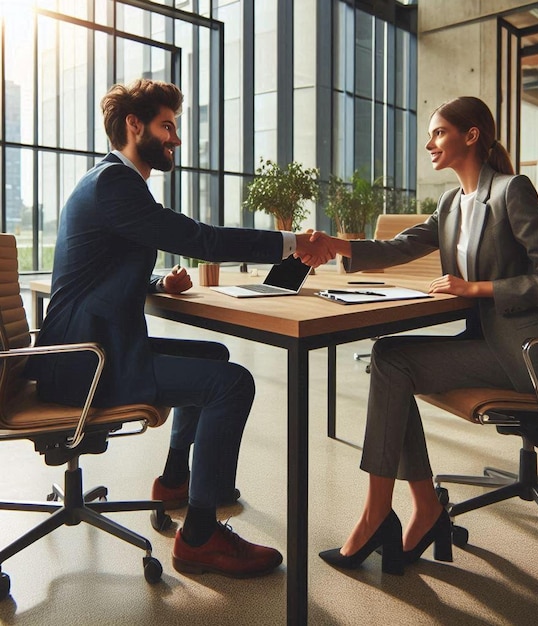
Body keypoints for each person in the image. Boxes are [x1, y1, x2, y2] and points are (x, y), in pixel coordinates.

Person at [26, 78, 333, 579]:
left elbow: (99, 264)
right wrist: (294, 241)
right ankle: (200, 536)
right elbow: (200, 238)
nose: (176, 139)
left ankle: (174, 481)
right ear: (134, 125)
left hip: (88, 346)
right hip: (86, 362)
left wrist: (155, 279)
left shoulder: (107, 182)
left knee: (212, 356)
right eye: (167, 126)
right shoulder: (114, 184)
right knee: (233, 384)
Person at [300, 96, 538, 575]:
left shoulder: (512, 191)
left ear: (470, 135)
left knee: (392, 362)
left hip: (523, 354)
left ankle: (381, 515)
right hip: (484, 342)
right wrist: (335, 245)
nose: (429, 142)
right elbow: (401, 244)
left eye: (438, 132)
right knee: (390, 358)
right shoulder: (452, 202)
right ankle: (419, 508)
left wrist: (476, 287)